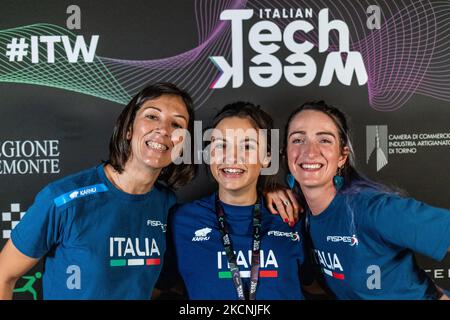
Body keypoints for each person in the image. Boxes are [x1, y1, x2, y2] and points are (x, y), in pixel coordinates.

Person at [0, 82, 196, 299]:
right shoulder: (62, 199)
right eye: (152, 116)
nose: (164, 130)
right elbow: (3, 276)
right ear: (128, 129)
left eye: (177, 124)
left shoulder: (166, 204)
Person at [282, 100, 450, 299]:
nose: (309, 151)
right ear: (285, 153)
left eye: (324, 140)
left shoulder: (372, 209)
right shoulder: (300, 216)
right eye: (298, 140)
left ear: (342, 157)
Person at [169, 102, 314, 300]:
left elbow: (319, 285)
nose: (232, 157)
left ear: (267, 157)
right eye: (221, 145)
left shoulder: (291, 215)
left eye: (247, 146)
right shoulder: (181, 220)